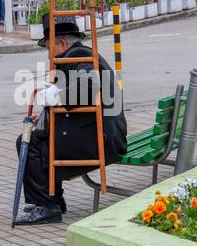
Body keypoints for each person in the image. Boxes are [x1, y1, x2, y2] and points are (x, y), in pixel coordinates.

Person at [15, 14, 127, 225]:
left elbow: (87, 87)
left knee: (29, 143)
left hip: (102, 138)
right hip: (105, 133)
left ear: (62, 43)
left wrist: (56, 97)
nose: (48, 54)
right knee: (41, 136)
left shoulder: (77, 56)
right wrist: (49, 112)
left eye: (49, 47)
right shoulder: (81, 55)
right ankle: (51, 199)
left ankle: (47, 205)